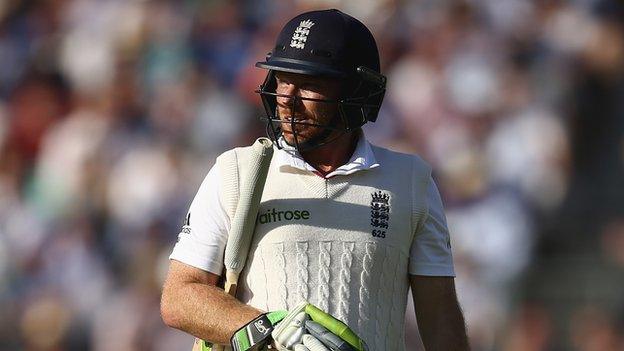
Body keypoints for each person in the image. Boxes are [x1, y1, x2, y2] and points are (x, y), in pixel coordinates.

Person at [161, 9, 470, 351]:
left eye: (309, 85)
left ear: (357, 94)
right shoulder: (236, 172)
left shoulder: (411, 181)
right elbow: (179, 297)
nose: (287, 101)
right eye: (282, 80)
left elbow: (440, 318)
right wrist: (265, 330)